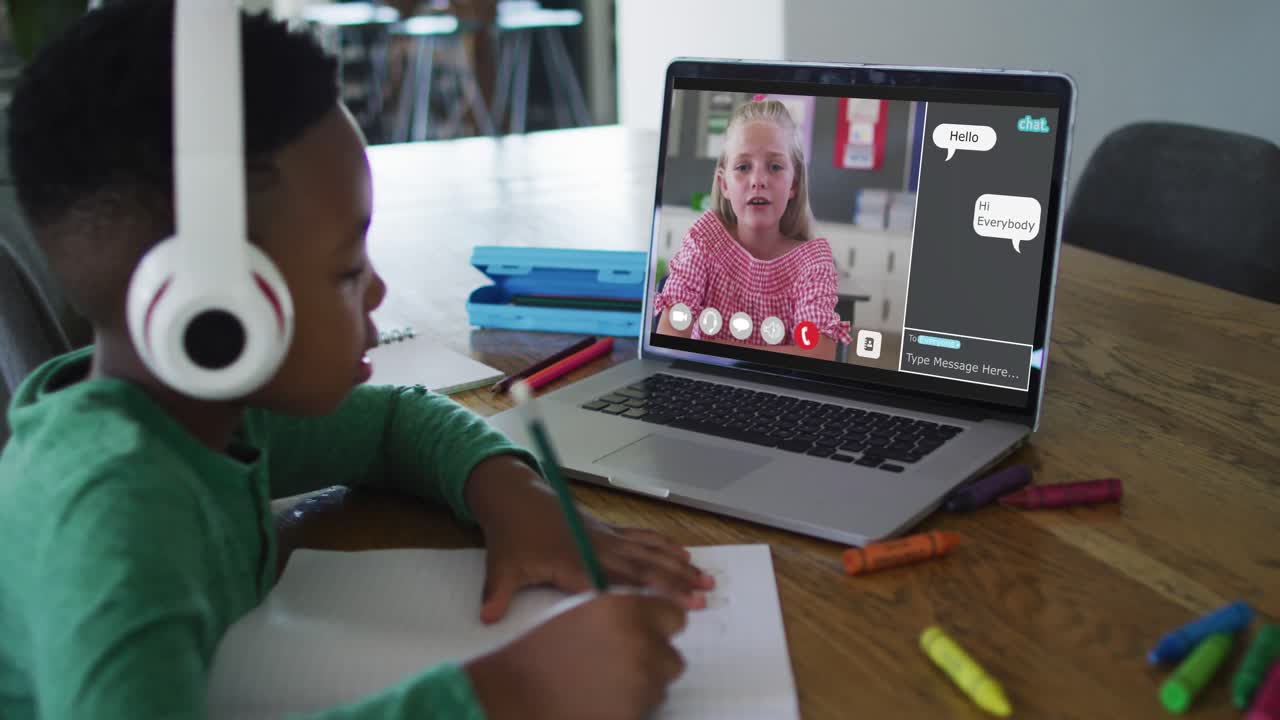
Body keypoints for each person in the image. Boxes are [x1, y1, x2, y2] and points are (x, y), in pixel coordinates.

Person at [0, 3, 711, 719]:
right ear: (214, 313)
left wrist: (515, 499)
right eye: (346, 271)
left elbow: (392, 422)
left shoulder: (204, 415)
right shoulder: (113, 523)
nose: (376, 288)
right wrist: (510, 694)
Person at [655, 98, 852, 359]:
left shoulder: (812, 263)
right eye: (743, 167)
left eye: (775, 167)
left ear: (793, 184)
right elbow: (669, 338)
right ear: (724, 184)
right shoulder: (704, 239)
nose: (758, 180)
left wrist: (713, 347)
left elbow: (818, 355)